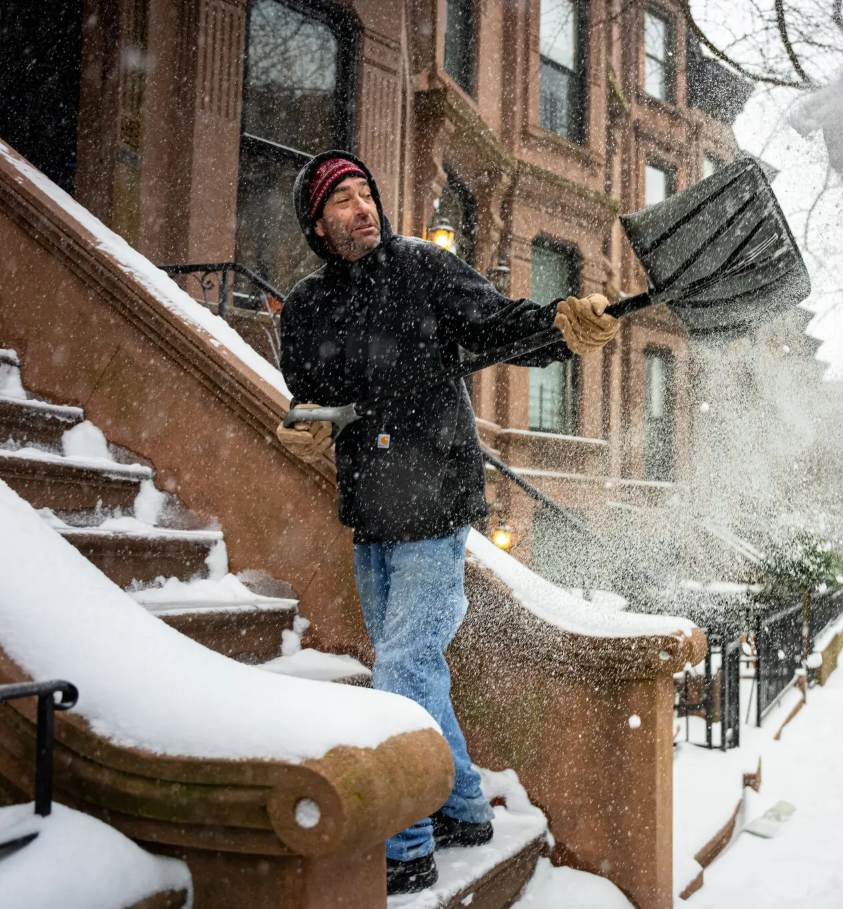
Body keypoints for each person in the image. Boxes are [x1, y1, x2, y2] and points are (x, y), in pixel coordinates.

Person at [274, 151, 619, 894]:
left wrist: (564, 326)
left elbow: (498, 326)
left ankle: (406, 846)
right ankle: (465, 805)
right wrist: (305, 422)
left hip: (434, 496)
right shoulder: (306, 308)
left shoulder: (424, 271)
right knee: (414, 666)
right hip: (370, 508)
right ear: (317, 223)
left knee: (401, 667)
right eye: (342, 200)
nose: (362, 207)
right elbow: (313, 391)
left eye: (367, 192)